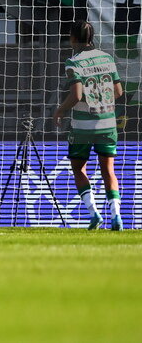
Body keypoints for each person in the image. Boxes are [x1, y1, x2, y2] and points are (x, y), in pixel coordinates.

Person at [52, 20, 124, 230]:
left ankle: (94, 214)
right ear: (91, 37)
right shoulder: (107, 58)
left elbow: (76, 95)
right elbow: (118, 92)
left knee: (78, 168)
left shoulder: (73, 62)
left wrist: (60, 110)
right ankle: (116, 217)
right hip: (108, 123)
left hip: (83, 126)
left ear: (73, 38)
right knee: (108, 170)